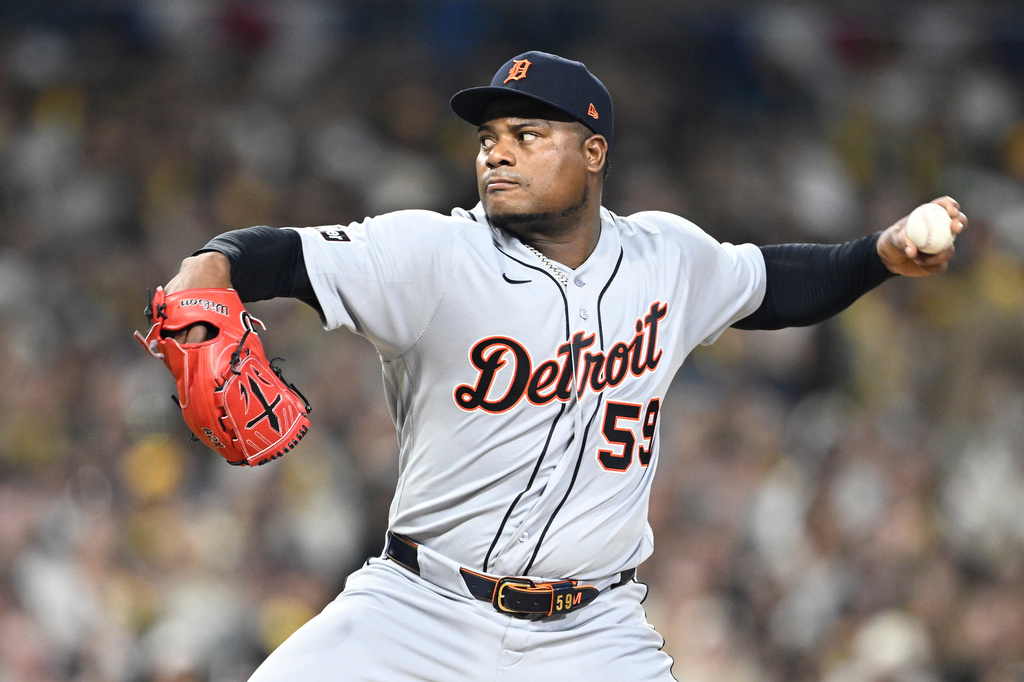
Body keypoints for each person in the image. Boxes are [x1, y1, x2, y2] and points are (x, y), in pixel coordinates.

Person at [158, 51, 966, 681]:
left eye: (526, 137)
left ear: (594, 151)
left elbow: (776, 282)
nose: (496, 157)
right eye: (488, 139)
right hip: (419, 607)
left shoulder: (666, 257)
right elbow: (280, 257)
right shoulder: (437, 254)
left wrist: (878, 256)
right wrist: (210, 265)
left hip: (593, 631)